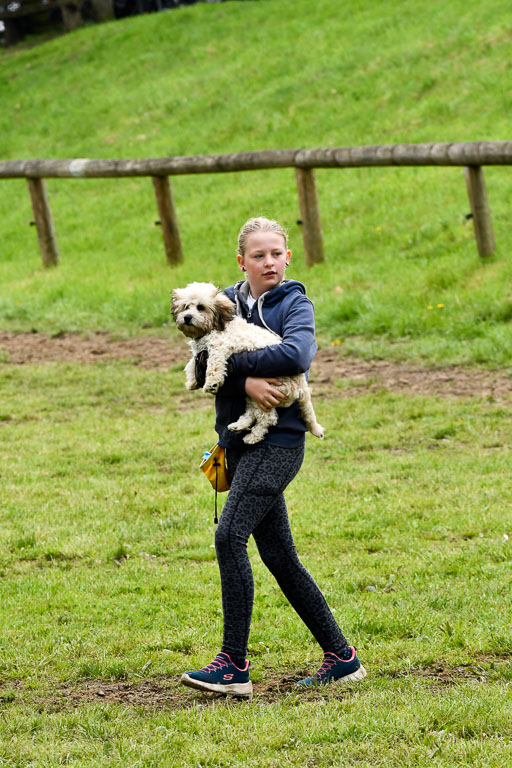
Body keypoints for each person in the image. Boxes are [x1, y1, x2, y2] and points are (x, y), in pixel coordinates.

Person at [180, 217, 366, 697]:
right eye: (258, 255)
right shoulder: (222, 300)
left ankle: (233, 666)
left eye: (276, 254)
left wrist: (236, 367)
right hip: (237, 443)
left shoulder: (294, 304)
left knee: (228, 538)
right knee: (280, 555)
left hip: (279, 445)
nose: (269, 262)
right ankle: (342, 658)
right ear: (242, 261)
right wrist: (245, 381)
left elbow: (298, 355)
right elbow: (201, 362)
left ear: (287, 257)